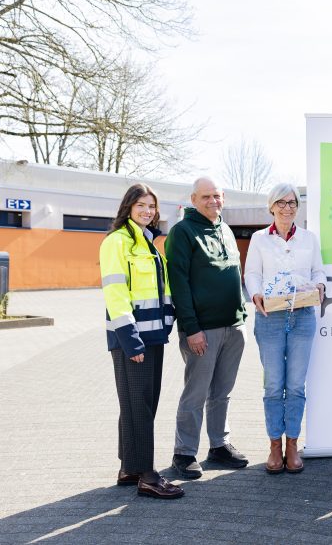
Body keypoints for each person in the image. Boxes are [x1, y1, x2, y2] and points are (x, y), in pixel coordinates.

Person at [99, 184, 183, 499]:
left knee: (139, 403)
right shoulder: (116, 242)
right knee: (140, 406)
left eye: (151, 206)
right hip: (133, 339)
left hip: (153, 336)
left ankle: (130, 468)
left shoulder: (147, 243)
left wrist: (168, 320)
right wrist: (131, 342)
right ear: (128, 207)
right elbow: (115, 294)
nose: (147, 211)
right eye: (141, 205)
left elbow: (160, 289)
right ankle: (147, 476)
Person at [165, 177, 249, 478]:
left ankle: (219, 445)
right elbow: (179, 284)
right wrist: (192, 328)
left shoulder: (224, 229)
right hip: (202, 330)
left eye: (217, 196)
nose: (213, 201)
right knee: (196, 392)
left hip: (233, 326)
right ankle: (184, 452)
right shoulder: (182, 232)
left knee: (222, 392)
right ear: (193, 199)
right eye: (206, 197)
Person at [244, 183, 326, 474]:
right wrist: (255, 295)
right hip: (271, 319)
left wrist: (319, 285)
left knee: (295, 386)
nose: (288, 207)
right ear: (272, 206)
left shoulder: (309, 238)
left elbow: (318, 271)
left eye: (293, 202)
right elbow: (252, 273)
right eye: (282, 202)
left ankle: (292, 444)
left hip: (302, 316)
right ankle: (274, 446)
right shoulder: (258, 239)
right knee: (273, 385)